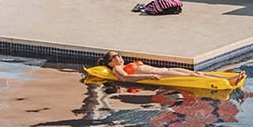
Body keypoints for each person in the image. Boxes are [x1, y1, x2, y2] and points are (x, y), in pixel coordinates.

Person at [101, 51, 243, 83]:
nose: (118, 56)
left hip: (166, 70)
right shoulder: (117, 69)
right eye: (115, 56)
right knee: (193, 76)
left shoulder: (126, 64)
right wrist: (148, 76)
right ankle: (229, 81)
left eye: (118, 54)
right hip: (161, 76)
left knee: (197, 73)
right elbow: (125, 78)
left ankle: (231, 77)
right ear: (110, 63)